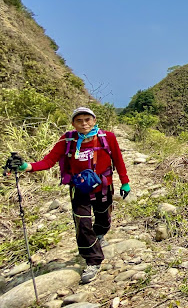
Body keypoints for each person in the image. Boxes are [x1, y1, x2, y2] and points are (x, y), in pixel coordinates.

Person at [9, 107, 131, 284]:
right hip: (79, 188)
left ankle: (99, 236)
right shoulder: (68, 140)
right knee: (82, 224)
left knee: (103, 218)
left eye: (87, 119)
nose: (84, 123)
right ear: (73, 123)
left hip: (103, 186)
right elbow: (49, 160)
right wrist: (26, 166)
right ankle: (93, 261)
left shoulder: (107, 137)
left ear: (94, 120)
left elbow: (118, 160)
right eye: (79, 120)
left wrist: (125, 182)